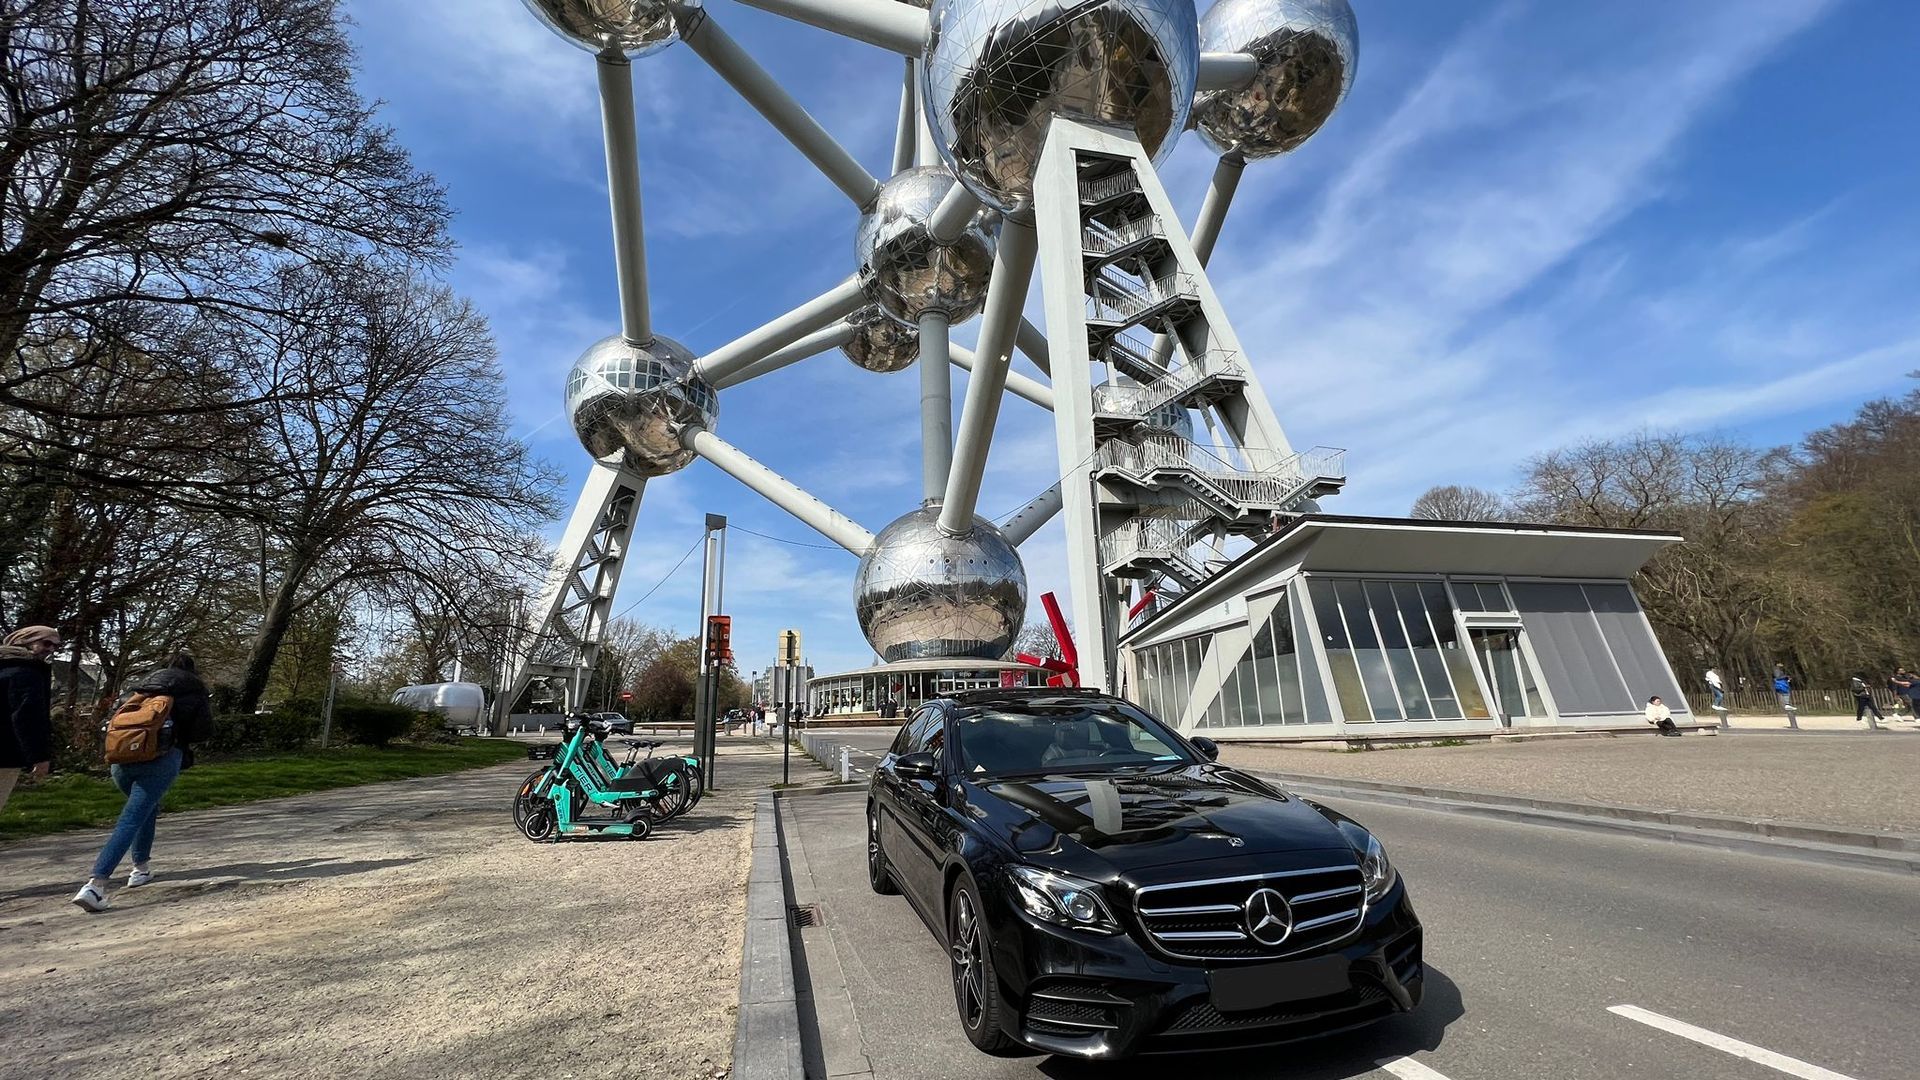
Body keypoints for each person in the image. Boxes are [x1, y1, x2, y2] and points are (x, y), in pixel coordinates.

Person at [72, 652, 214, 913]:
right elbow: (202, 731)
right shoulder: (193, 690)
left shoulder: (139, 687)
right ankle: (95, 885)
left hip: (121, 759)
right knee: (132, 818)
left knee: (146, 809)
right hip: (161, 758)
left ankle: (141, 868)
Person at [0, 625, 61, 811]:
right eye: (46, 642)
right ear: (25, 641)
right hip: (5, 753)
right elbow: (28, 716)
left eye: (56, 646)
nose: (50, 649)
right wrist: (39, 757)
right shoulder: (27, 672)